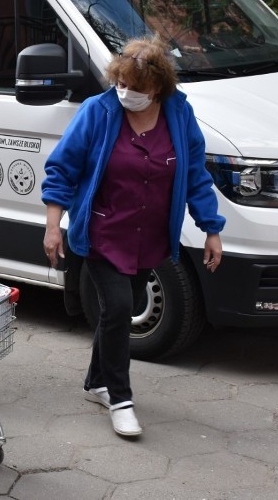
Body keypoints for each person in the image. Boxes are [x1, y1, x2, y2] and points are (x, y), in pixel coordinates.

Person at [41, 36, 225, 437]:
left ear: (158, 87)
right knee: (121, 308)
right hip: (103, 231)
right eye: (120, 84)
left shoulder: (179, 115)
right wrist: (53, 226)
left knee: (114, 314)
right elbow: (62, 170)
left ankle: (95, 381)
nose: (126, 93)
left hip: (151, 236)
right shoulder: (99, 111)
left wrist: (212, 228)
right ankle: (120, 398)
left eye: (136, 89)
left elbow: (195, 175)